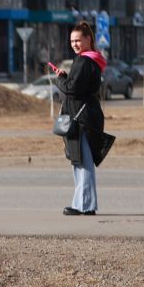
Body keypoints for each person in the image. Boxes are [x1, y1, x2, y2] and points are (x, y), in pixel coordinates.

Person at [50, 19, 107, 216]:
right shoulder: (94, 59)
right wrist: (67, 78)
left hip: (80, 118)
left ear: (88, 39)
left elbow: (73, 89)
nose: (74, 44)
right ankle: (86, 204)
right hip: (88, 115)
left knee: (82, 162)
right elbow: (80, 86)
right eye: (72, 41)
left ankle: (84, 205)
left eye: (78, 40)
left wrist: (61, 79)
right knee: (83, 161)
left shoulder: (83, 60)